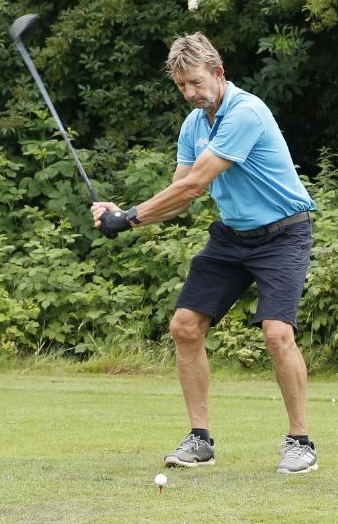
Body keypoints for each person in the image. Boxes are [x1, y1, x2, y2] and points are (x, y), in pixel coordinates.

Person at [93, 34, 320, 475]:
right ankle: (200, 440)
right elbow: (179, 195)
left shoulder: (245, 112)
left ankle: (300, 442)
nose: (190, 93)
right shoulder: (194, 125)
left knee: (277, 333)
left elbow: (196, 185)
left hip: (283, 234)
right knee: (184, 327)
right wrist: (123, 213)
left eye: (196, 82)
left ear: (218, 73)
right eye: (182, 86)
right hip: (233, 237)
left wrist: (129, 218)